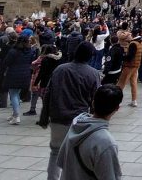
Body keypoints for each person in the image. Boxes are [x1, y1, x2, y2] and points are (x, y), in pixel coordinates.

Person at [45, 42, 101, 180]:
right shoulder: (93, 73)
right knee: (76, 155)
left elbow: (48, 92)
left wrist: (46, 114)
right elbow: (96, 99)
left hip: (58, 117)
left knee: (55, 152)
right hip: (79, 120)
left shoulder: (60, 69)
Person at [57, 84, 124, 180]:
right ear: (117, 108)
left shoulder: (77, 123)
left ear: (93, 103)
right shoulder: (106, 142)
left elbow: (61, 160)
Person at [2, 35, 36, 124]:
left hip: (13, 73)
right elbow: (31, 62)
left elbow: (6, 62)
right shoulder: (30, 51)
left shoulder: (13, 51)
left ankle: (16, 116)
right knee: (17, 94)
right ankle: (14, 113)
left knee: (13, 94)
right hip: (25, 74)